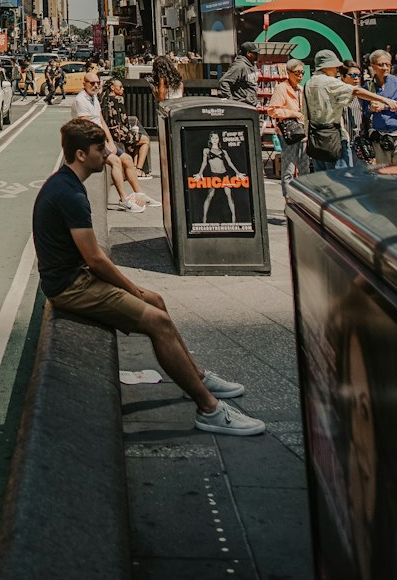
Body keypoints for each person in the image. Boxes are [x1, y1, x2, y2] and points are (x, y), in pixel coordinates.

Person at [31, 117, 266, 437]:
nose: (108, 155)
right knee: (159, 321)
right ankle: (208, 408)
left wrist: (139, 292)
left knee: (157, 299)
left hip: (75, 277)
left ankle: (195, 376)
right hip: (71, 286)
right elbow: (95, 258)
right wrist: (132, 288)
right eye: (100, 150)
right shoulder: (70, 194)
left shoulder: (64, 183)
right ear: (81, 155)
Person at [303, 50, 395, 172]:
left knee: (322, 180)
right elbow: (355, 91)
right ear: (327, 66)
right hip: (333, 139)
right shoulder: (329, 81)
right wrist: (384, 100)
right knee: (341, 178)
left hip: (316, 139)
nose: (337, 70)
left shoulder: (308, 83)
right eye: (336, 67)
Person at [73, 71, 146, 212]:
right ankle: (123, 199)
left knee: (127, 159)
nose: (95, 86)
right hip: (90, 142)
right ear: (84, 84)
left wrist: (111, 142)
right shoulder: (80, 100)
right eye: (91, 83)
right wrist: (104, 144)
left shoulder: (94, 97)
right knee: (115, 161)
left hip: (101, 140)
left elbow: (101, 120)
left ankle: (140, 195)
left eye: (97, 83)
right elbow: (87, 127)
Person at [266, 58, 307, 195]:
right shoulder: (281, 88)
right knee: (289, 168)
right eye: (297, 73)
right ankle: (288, 199)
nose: (300, 76)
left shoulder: (301, 90)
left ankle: (303, 199)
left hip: (302, 132)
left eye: (302, 73)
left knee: (304, 167)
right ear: (288, 73)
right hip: (288, 133)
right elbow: (272, 110)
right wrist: (294, 113)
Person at [102, 75, 151, 176]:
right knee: (145, 140)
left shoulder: (105, 99)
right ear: (112, 88)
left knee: (138, 140)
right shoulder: (118, 99)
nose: (123, 89)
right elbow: (124, 120)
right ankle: (138, 169)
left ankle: (134, 168)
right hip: (119, 134)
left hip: (112, 132)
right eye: (120, 87)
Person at [365, 49, 397, 166]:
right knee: (383, 173)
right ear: (373, 66)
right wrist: (370, 109)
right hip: (380, 137)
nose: (385, 67)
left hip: (396, 133)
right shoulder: (369, 86)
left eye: (387, 64)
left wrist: (384, 106)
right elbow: (364, 111)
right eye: (381, 64)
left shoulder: (396, 83)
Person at [219, 41, 259, 108]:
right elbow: (224, 82)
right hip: (242, 104)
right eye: (254, 53)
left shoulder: (252, 64)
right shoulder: (239, 66)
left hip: (250, 104)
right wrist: (230, 101)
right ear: (248, 53)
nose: (257, 54)